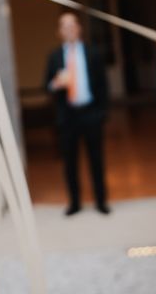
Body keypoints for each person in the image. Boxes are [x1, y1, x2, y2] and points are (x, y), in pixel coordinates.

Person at [44, 12, 109, 216]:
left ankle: (101, 201)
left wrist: (102, 113)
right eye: (65, 26)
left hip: (90, 112)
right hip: (68, 115)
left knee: (96, 159)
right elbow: (46, 86)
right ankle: (75, 202)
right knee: (70, 162)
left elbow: (103, 84)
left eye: (73, 25)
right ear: (59, 32)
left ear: (79, 28)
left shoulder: (93, 53)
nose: (69, 29)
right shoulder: (54, 57)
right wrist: (56, 83)